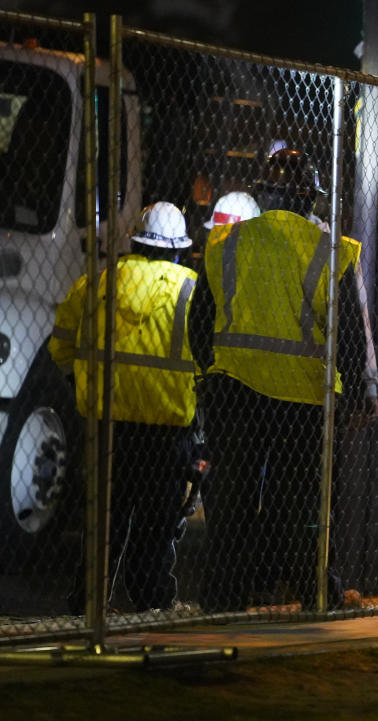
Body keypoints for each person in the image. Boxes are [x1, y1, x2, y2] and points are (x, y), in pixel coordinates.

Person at [188, 148, 377, 612]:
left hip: (234, 390)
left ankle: (223, 599)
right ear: (309, 199)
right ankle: (313, 591)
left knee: (231, 499)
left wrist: (208, 372)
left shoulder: (225, 243)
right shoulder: (329, 253)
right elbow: (350, 332)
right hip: (304, 399)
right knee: (300, 504)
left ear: (264, 195)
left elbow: (200, 321)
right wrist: (358, 394)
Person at [50, 201, 198, 613]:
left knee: (103, 523)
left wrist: (80, 383)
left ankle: (88, 603)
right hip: (165, 430)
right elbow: (206, 358)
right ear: (178, 249)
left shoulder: (95, 284)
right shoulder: (190, 290)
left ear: (135, 241)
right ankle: (152, 605)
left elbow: (60, 345)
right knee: (156, 526)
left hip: (105, 425)